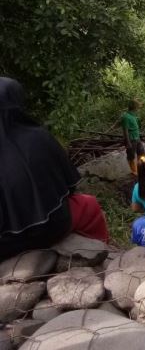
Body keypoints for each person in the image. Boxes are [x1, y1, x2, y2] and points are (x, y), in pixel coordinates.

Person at [0, 78, 109, 260]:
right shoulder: (38, 138)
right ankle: (103, 256)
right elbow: (69, 187)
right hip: (50, 229)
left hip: (4, 246)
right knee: (88, 205)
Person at [121, 100, 145, 176]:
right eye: (137, 106)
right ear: (134, 107)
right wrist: (128, 142)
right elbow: (125, 130)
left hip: (137, 138)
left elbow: (137, 128)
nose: (138, 108)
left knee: (142, 153)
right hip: (131, 139)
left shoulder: (134, 116)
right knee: (131, 156)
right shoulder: (126, 117)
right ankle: (134, 171)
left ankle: (141, 167)